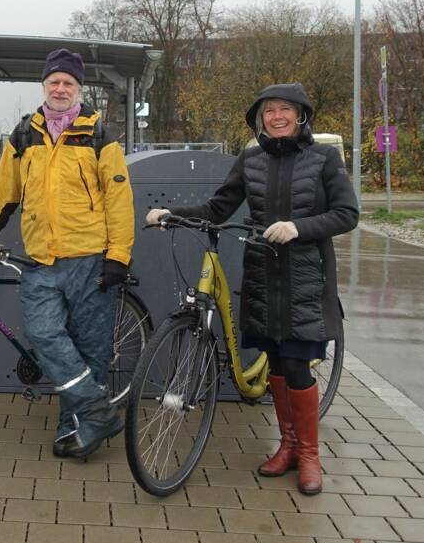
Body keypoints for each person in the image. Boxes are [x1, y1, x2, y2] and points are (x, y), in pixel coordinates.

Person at [146, 83, 357, 494]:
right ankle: (288, 445)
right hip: (263, 271)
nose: (277, 117)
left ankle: (310, 456)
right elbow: (217, 208)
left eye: (285, 110)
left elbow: (347, 214)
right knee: (275, 362)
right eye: (269, 111)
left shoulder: (324, 159)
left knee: (296, 363)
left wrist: (299, 227)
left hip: (305, 275)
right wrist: (173, 213)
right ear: (260, 119)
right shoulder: (251, 159)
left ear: (301, 116)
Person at [0, 48, 135, 459]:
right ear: (44, 86)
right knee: (44, 334)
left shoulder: (98, 134)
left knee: (90, 346)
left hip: (89, 256)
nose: (61, 89)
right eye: (54, 82)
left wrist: (119, 255)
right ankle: (97, 410)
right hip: (39, 258)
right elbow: (3, 192)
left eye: (69, 83)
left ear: (79, 89)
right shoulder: (25, 134)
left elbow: (119, 199)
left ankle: (75, 428)